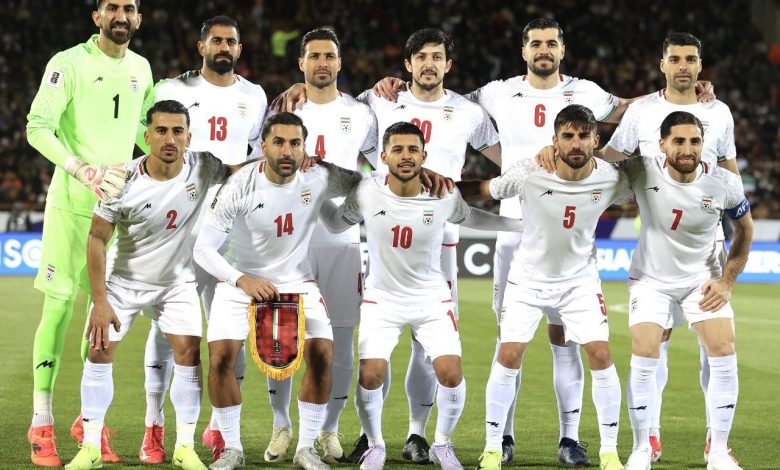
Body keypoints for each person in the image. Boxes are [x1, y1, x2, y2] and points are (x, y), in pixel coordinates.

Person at [367, 19, 714, 466]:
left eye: (551, 43)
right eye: (535, 44)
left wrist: (684, 89)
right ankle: (503, 439)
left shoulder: (586, 92)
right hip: (514, 233)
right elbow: (441, 99)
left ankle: (570, 438)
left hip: (568, 239)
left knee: (566, 339)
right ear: (524, 51)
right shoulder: (496, 93)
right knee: (508, 343)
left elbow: (633, 108)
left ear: (562, 50)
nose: (543, 50)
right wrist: (395, 85)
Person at [271, 27, 500, 463]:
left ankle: (417, 433)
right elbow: (334, 108)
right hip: (382, 231)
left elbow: (503, 157)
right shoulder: (377, 101)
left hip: (441, 235)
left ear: (449, 64)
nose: (429, 64)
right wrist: (300, 86)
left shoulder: (468, 111)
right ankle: (363, 434)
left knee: (427, 344)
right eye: (421, 57)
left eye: (437, 56)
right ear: (407, 64)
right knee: (374, 337)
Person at [318, 122, 522, 470]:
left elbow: (472, 217)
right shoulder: (367, 191)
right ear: (383, 156)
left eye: (413, 149)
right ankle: (376, 446)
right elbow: (337, 224)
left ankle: (442, 444)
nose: (406, 156)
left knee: (451, 374)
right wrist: (317, 197)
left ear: (424, 156)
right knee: (370, 375)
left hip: (431, 299)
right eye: (397, 149)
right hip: (382, 300)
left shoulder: (442, 194)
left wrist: (520, 226)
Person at [193, 112, 369, 470]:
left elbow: (364, 184)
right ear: (263, 146)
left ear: (305, 148)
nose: (287, 150)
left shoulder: (320, 176)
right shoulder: (239, 185)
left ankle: (306, 448)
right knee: (221, 357)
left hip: (296, 281)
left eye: (295, 143)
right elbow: (203, 249)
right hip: (240, 281)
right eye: (278, 142)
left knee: (323, 353)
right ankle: (232, 449)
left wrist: (347, 214)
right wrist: (243, 280)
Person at [459, 105, 628, 470]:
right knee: (509, 354)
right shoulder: (530, 171)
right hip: (528, 279)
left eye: (583, 136)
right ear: (555, 140)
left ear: (596, 140)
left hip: (579, 281)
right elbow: (485, 189)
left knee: (600, 354)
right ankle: (493, 448)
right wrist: (432, 189)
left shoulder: (612, 178)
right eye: (567, 136)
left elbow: (654, 181)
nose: (575, 143)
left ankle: (609, 452)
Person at [65, 100, 228, 470]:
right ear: (147, 136)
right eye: (161, 131)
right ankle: (90, 447)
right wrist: (100, 301)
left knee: (189, 353)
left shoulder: (204, 165)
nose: (170, 139)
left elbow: (244, 172)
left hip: (177, 282)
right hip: (124, 282)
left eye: (177, 131)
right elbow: (96, 238)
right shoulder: (121, 180)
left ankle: (184, 447)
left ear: (189, 137)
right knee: (99, 352)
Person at [25, 0, 153, 465]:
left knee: (101, 317)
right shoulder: (68, 63)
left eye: (129, 8)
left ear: (138, 19)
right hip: (71, 208)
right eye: (112, 7)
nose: (121, 15)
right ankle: (41, 422)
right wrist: (80, 168)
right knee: (58, 310)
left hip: (115, 214)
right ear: (96, 16)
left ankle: (88, 422)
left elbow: (145, 132)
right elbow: (37, 127)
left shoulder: (141, 68)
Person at [602, 33, 740, 464]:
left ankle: (715, 442)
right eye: (675, 59)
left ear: (700, 65)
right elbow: (608, 159)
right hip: (657, 247)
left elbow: (729, 172)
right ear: (662, 64)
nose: (683, 66)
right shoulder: (642, 112)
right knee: (653, 345)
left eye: (690, 59)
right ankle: (650, 438)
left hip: (707, 249)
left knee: (714, 347)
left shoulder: (718, 112)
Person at [137, 15, 268, 464]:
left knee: (230, 327)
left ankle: (217, 428)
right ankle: (154, 426)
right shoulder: (172, 89)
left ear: (239, 48)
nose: (224, 47)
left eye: (231, 41)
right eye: (216, 40)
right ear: (201, 46)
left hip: (232, 227)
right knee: (166, 325)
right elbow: (150, 143)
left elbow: (258, 157)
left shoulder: (255, 96)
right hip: (178, 223)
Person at [262, 28, 379, 465]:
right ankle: (281, 426)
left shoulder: (362, 115)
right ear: (301, 63)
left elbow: (378, 171)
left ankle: (329, 429)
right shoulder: (282, 109)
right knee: (281, 337)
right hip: (287, 242)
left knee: (342, 336)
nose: (322, 63)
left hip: (341, 241)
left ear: (340, 62)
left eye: (330, 55)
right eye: (314, 56)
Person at [621, 111, 752, 470]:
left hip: (702, 281)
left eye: (695, 141)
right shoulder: (640, 170)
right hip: (651, 280)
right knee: (645, 350)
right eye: (678, 141)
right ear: (662, 144)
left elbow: (745, 229)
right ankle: (641, 448)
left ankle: (719, 451)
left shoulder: (723, 182)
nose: (687, 149)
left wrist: (727, 281)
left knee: (723, 350)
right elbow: (591, 170)